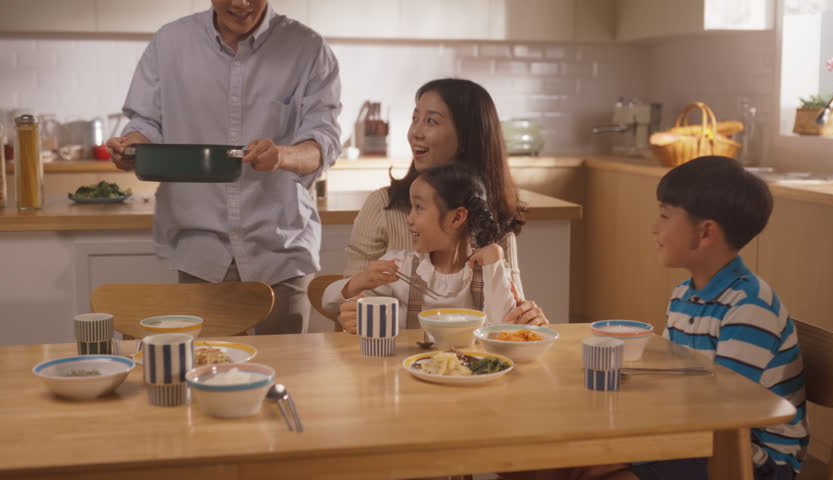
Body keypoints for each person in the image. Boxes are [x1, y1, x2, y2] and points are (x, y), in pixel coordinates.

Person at [508, 156, 810, 480]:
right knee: (540, 462)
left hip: (752, 460)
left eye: (665, 216)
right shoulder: (684, 295)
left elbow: (727, 419)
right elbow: (676, 383)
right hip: (697, 435)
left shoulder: (748, 307)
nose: (655, 227)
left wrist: (628, 454)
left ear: (706, 233)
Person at [105, 0, 342, 335]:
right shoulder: (170, 43)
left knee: (287, 376)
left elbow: (324, 140)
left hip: (281, 248)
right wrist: (132, 146)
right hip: (200, 251)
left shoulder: (308, 48)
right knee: (208, 371)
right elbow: (147, 122)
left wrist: (283, 155)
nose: (241, 3)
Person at [333, 78, 547, 333]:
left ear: (467, 136)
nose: (416, 132)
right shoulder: (383, 206)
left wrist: (529, 318)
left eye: (431, 121)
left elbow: (509, 314)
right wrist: (349, 311)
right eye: (415, 119)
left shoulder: (493, 215)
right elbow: (348, 294)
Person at [323, 164, 516, 327]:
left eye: (419, 208)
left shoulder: (489, 269)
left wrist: (495, 259)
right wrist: (360, 281)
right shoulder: (400, 267)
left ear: (457, 217)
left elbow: (503, 330)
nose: (409, 219)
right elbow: (328, 302)